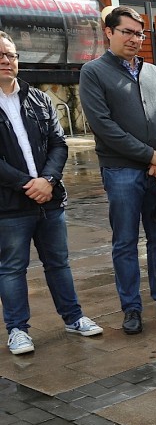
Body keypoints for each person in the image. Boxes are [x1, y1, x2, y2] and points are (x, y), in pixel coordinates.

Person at [79, 5, 156, 335]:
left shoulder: (154, 73)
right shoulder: (93, 72)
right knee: (125, 242)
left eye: (139, 33)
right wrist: (150, 156)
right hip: (122, 172)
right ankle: (131, 308)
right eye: (127, 32)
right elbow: (103, 125)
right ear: (109, 32)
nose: (135, 39)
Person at [0, 31, 102, 355]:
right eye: (0, 55)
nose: (6, 60)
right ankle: (18, 330)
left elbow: (59, 143)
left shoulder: (38, 98)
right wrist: (27, 184)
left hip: (49, 200)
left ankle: (74, 318)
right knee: (12, 268)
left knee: (59, 263)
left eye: (11, 55)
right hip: (9, 206)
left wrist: (48, 179)